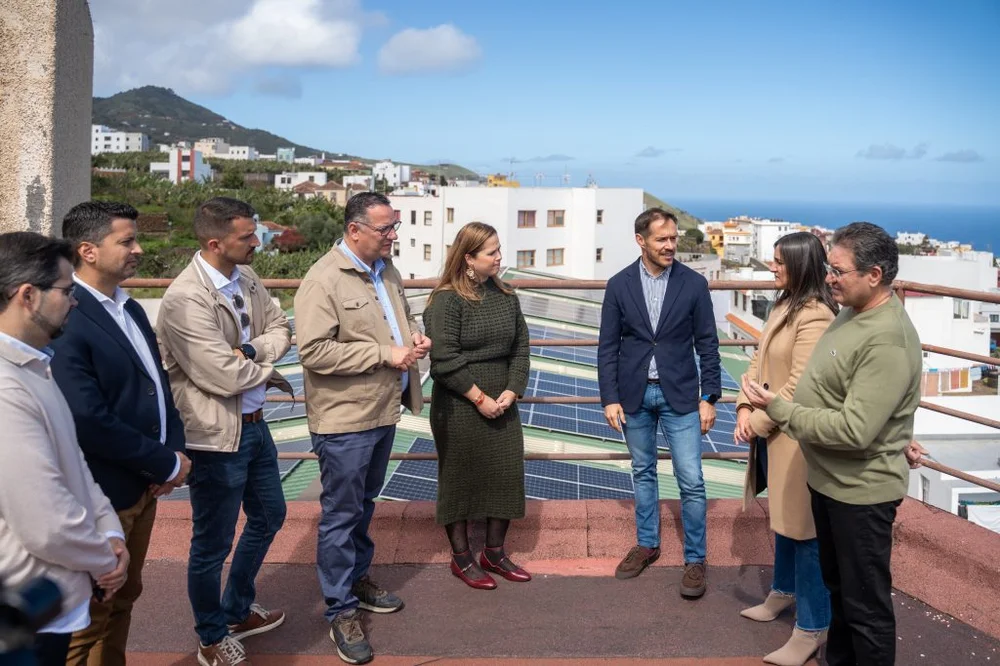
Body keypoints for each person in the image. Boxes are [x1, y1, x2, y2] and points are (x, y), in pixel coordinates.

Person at [741, 222, 926, 666]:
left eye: (839, 270)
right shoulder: (851, 313)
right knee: (843, 595)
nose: (830, 278)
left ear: (874, 275)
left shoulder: (885, 338)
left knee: (865, 608)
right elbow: (849, 395)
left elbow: (854, 430)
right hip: (831, 482)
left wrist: (778, 411)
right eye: (828, 268)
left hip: (860, 492)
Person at [48, 201, 191, 666]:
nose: (139, 249)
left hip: (142, 488)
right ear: (88, 250)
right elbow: (86, 417)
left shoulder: (128, 308)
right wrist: (164, 462)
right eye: (126, 241)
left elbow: (156, 386)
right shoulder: (68, 316)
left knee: (123, 602)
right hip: (102, 493)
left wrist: (172, 451)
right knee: (86, 620)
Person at [295, 192, 430, 665]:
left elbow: (402, 314)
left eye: (394, 226)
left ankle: (357, 578)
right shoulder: (322, 279)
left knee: (363, 504)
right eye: (386, 228)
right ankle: (340, 609)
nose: (394, 235)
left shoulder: (385, 270)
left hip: (382, 410)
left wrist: (412, 334)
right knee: (340, 515)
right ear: (355, 231)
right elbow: (313, 352)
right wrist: (384, 354)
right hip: (344, 419)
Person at [157, 197, 293, 666]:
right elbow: (221, 375)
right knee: (212, 544)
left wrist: (250, 352)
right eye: (247, 237)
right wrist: (255, 363)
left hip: (255, 428)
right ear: (215, 243)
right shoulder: (184, 299)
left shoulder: (246, 277)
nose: (257, 242)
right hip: (214, 440)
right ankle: (212, 637)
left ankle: (236, 609)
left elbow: (281, 327)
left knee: (271, 516)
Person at [0, 232, 127, 666]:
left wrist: (110, 531)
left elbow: (74, 465)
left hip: (51, 598)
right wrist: (104, 559)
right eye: (67, 291)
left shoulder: (36, 365)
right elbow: (44, 520)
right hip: (24, 611)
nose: (74, 301)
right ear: (28, 296)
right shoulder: (6, 386)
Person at [597, 208, 721, 597]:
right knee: (643, 472)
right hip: (633, 394)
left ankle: (696, 559)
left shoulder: (694, 284)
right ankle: (647, 544)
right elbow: (607, 348)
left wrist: (709, 397)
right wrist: (610, 398)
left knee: (692, 480)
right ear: (641, 241)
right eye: (662, 239)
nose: (670, 245)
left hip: (681, 395)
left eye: (673, 238)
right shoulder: (618, 285)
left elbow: (708, 344)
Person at [734, 232, 837, 666]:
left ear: (799, 264)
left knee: (805, 531)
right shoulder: (783, 304)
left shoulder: (815, 316)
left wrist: (756, 420)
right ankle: (782, 592)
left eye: (778, 262)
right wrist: (743, 406)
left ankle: (812, 628)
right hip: (774, 435)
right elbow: (757, 363)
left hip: (794, 440)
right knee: (782, 520)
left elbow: (799, 386)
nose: (771, 268)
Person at [422, 222, 531, 590]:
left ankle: (495, 553)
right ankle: (462, 558)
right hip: (459, 405)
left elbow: (521, 349)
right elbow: (444, 361)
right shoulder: (446, 301)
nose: (500, 257)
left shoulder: (506, 296)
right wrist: (479, 398)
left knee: (505, 476)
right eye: (492, 252)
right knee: (460, 479)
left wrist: (513, 391)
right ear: (468, 258)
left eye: (499, 249)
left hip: (503, 403)